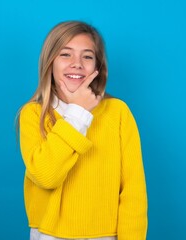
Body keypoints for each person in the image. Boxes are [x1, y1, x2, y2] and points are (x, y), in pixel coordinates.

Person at [18, 20, 148, 240]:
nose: (76, 63)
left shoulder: (118, 112)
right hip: (49, 235)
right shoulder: (33, 114)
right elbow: (45, 175)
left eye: (87, 56)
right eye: (65, 54)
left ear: (98, 67)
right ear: (50, 63)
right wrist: (77, 112)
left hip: (107, 235)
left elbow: (133, 192)